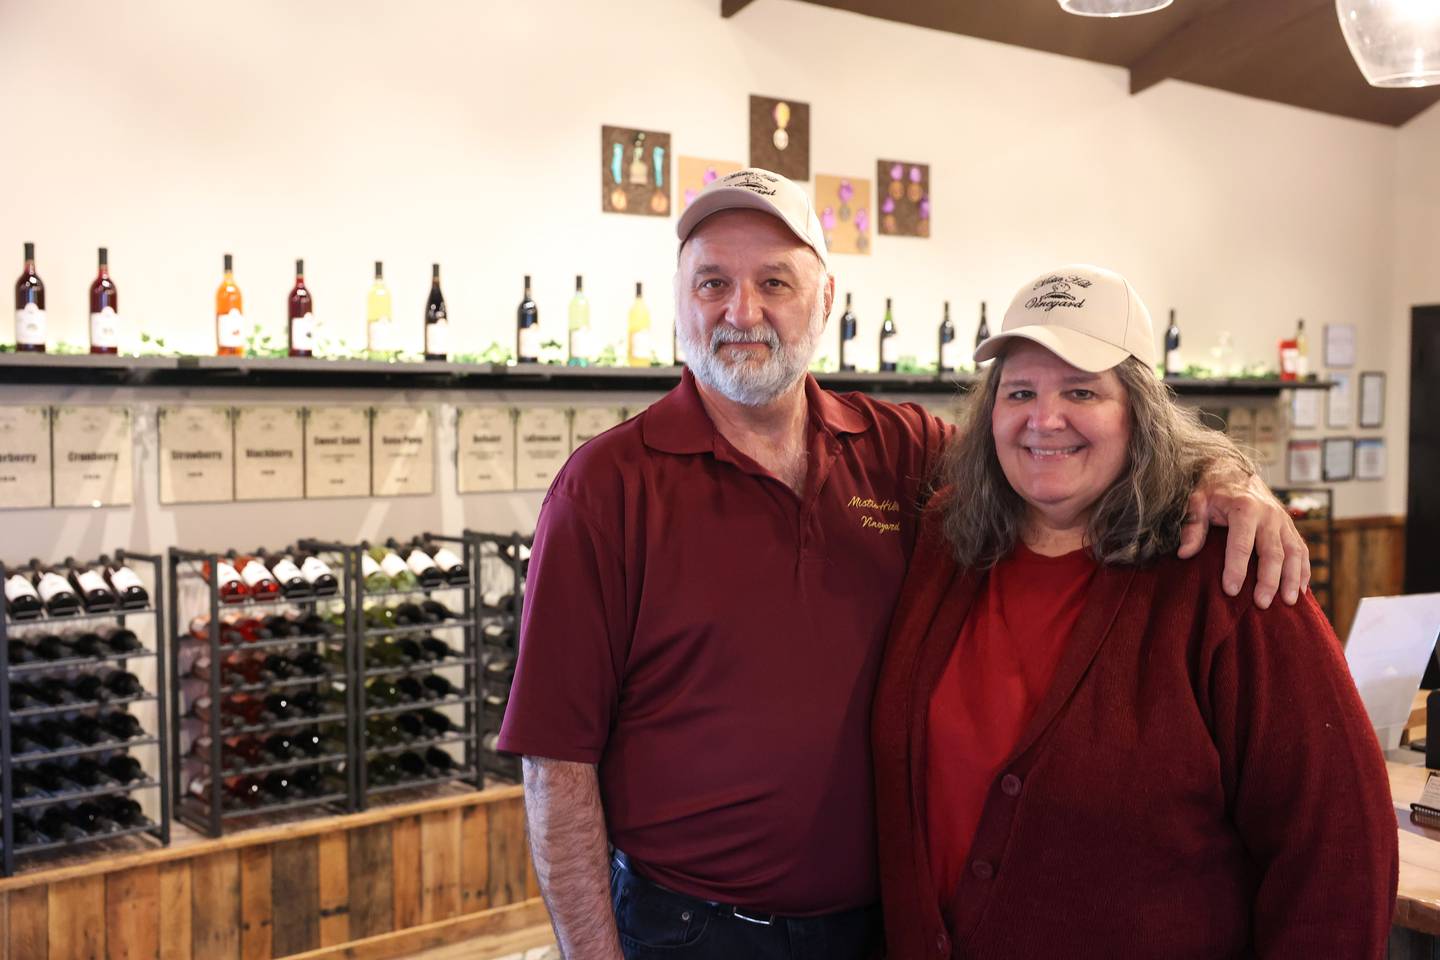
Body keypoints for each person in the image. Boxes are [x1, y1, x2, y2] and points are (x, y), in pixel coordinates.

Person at [497, 171, 1311, 960]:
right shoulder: (604, 490)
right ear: (679, 300)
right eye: (713, 283)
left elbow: (1047, 454)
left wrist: (1227, 477)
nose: (742, 311)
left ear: (825, 300)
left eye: (774, 282)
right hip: (689, 932)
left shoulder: (900, 450)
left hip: (881, 928)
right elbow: (556, 764)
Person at [871, 265, 1397, 959]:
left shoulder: (1228, 572)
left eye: (1081, 390)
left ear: (1139, 413)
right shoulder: (946, 540)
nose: (1043, 419)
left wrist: (1227, 471)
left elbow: (1337, 847)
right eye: (1019, 391)